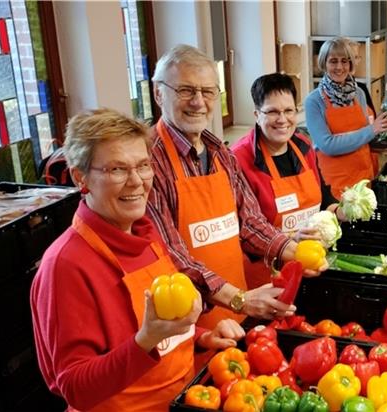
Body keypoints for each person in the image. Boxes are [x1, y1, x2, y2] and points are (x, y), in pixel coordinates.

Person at [30, 108, 245, 412]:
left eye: (143, 166)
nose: (136, 182)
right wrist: (146, 340)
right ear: (81, 177)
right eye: (117, 169)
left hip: (184, 397)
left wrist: (202, 336)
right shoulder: (66, 265)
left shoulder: (147, 232)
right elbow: (75, 387)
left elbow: (161, 331)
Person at [147, 44, 324, 330]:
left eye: (207, 92)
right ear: (158, 93)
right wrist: (238, 298)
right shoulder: (148, 163)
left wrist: (297, 253)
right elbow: (172, 255)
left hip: (237, 316)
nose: (198, 102)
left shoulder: (220, 153)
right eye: (185, 91)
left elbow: (249, 222)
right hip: (188, 327)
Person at [231, 73, 347, 288]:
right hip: (268, 279)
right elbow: (244, 230)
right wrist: (290, 241)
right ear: (256, 114)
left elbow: (322, 196)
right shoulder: (239, 160)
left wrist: (342, 211)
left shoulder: (302, 146)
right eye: (272, 111)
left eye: (288, 111)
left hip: (312, 263)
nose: (282, 120)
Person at [304, 37, 387, 200]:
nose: (339, 67)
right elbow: (328, 145)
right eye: (333, 61)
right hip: (335, 184)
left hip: (363, 179)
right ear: (323, 63)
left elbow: (369, 138)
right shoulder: (314, 101)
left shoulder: (358, 93)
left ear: (351, 64)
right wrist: (372, 129)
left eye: (344, 61)